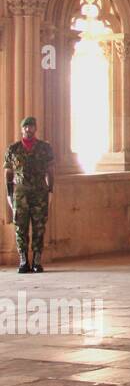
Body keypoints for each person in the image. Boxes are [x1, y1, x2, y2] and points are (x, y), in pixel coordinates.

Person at [5, 116, 55, 274]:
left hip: (40, 192)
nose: (28, 129)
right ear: (22, 129)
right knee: (20, 226)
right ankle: (23, 260)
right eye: (26, 126)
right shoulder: (13, 149)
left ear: (35, 128)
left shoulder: (45, 148)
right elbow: (8, 173)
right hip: (20, 193)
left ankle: (37, 260)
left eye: (31, 126)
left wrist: (51, 190)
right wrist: (9, 193)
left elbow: (50, 171)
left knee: (39, 227)